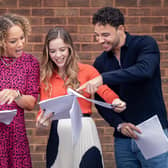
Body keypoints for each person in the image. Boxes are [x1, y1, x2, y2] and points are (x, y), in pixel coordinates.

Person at [77, 6, 168, 168]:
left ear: (121, 29)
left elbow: (144, 70)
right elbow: (101, 101)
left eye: (105, 35)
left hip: (154, 133)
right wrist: (118, 124)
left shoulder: (145, 44)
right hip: (123, 140)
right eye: (97, 36)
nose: (100, 40)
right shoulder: (101, 62)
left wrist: (102, 78)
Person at [36, 27, 126, 168]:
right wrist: (41, 120)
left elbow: (104, 90)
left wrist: (115, 101)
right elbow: (45, 108)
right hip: (59, 132)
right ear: (47, 53)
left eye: (62, 50)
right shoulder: (46, 78)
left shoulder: (87, 70)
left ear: (70, 49)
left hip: (84, 128)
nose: (58, 55)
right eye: (52, 51)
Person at [0, 13, 40, 167]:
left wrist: (16, 95)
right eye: (13, 41)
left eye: (22, 38)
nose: (20, 44)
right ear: (2, 41)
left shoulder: (30, 62)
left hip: (16, 137)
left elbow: (30, 103)